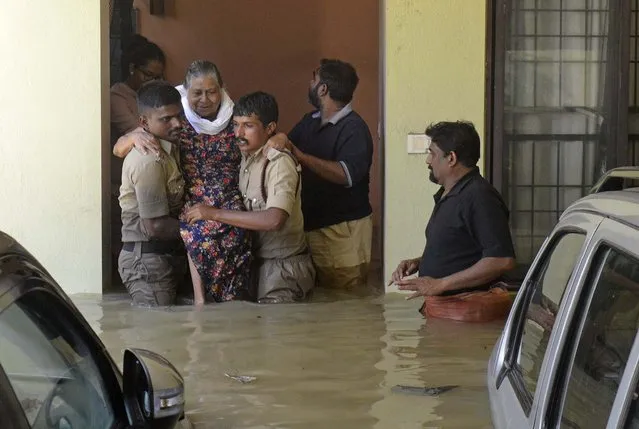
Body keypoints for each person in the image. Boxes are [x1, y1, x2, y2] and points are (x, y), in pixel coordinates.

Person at [113, 60, 252, 305]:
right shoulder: (165, 132)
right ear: (186, 92)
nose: (205, 99)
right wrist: (131, 136)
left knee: (225, 311)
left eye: (212, 91)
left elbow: (263, 136)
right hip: (189, 225)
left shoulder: (236, 119)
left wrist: (282, 139)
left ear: (222, 89)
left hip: (221, 219)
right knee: (171, 317)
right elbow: (121, 148)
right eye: (197, 93)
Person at [186, 92, 315, 303]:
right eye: (236, 125)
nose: (239, 132)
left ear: (271, 128)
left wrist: (214, 214)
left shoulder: (278, 163)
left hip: (282, 269)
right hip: (253, 265)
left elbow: (274, 219)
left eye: (248, 125)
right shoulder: (245, 158)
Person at [265, 59, 374, 291]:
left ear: (323, 88)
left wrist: (302, 156)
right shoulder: (309, 121)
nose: (310, 83)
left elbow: (346, 175)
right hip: (311, 228)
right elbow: (288, 147)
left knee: (347, 304)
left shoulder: (355, 128)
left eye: (313, 79)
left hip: (342, 233)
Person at [389, 121, 516, 300]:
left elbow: (502, 260)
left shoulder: (479, 197)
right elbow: (462, 249)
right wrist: (419, 262)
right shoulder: (450, 193)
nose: (428, 161)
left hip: (465, 313)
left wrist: (440, 284)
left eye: (432, 154)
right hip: (443, 312)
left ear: (451, 158)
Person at [118, 81, 185, 306]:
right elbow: (155, 226)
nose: (176, 123)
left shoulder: (170, 147)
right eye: (166, 119)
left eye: (179, 115)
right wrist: (203, 230)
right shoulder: (148, 158)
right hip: (147, 262)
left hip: (163, 257)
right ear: (144, 122)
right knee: (156, 334)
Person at [111, 35, 166, 138]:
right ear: (132, 68)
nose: (152, 81)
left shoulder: (154, 94)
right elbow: (135, 131)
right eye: (148, 74)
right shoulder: (117, 96)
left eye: (157, 77)